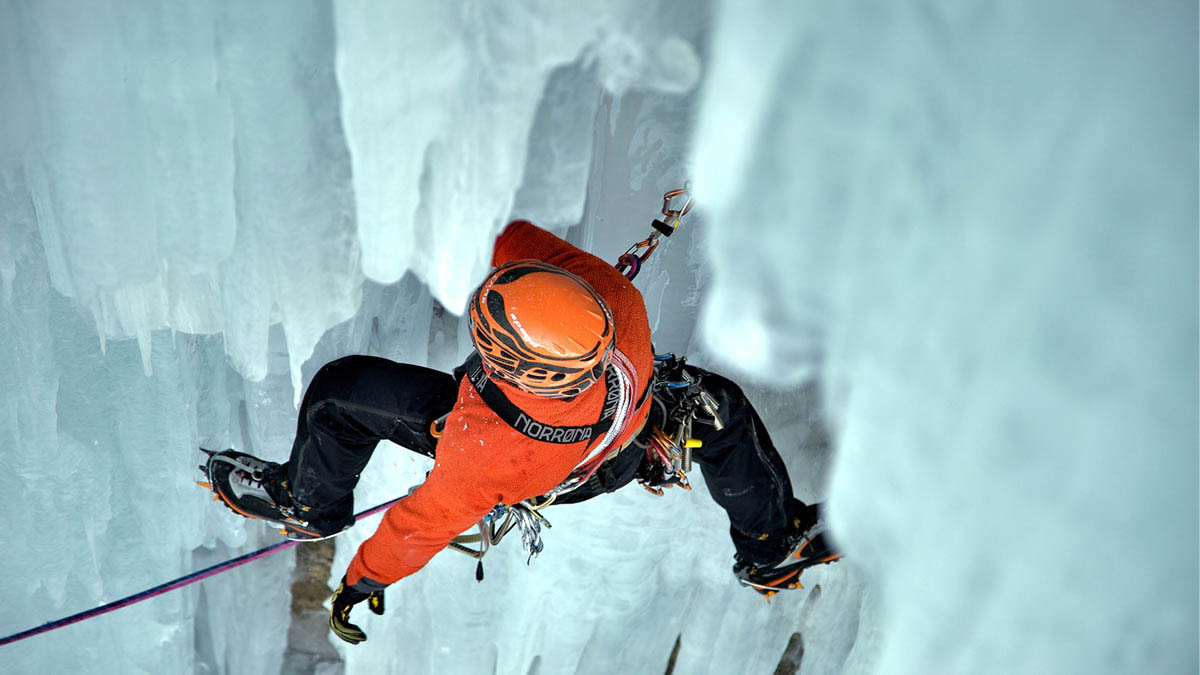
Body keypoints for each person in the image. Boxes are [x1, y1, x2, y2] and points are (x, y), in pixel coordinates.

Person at [204, 221, 838, 644]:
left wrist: (362, 578)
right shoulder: (613, 301)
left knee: (339, 396)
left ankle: (308, 504)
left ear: (518, 370)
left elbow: (421, 524)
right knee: (716, 410)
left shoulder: (485, 449)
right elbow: (515, 241)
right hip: (630, 430)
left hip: (549, 470)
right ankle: (771, 542)